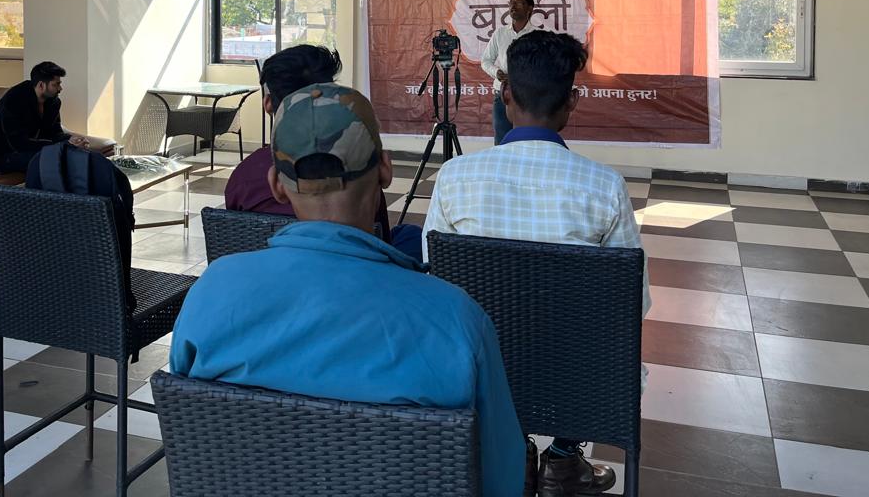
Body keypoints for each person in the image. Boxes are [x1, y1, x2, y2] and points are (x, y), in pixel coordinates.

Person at [172, 84, 530, 497]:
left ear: (277, 184)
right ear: (385, 169)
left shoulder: (211, 292)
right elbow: (501, 478)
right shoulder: (454, 321)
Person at [426, 30, 649, 497]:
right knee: (610, 344)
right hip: (574, 374)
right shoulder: (605, 187)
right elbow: (633, 304)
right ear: (572, 102)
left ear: (506, 95)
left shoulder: (453, 177)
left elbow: (435, 278)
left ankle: (515, 448)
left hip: (479, 366)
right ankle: (564, 461)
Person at [223, 44, 422, 259]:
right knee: (410, 236)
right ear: (384, 169)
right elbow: (379, 242)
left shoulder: (244, 175)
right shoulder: (364, 168)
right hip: (364, 274)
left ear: (277, 184)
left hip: (268, 272)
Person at [0, 61, 111, 173]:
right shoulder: (14, 101)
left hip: (22, 150)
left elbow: (55, 133)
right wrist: (61, 146)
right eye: (56, 84)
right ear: (41, 85)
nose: (60, 88)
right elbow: (18, 144)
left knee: (74, 153)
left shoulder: (53, 102)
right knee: (52, 158)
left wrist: (70, 140)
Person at [480, 0, 535, 145]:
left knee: (526, 141)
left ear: (530, 8)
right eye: (511, 2)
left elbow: (541, 67)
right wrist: (496, 73)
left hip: (528, 97)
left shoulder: (537, 35)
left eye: (518, 3)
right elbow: (485, 60)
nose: (513, 6)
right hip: (503, 96)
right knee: (502, 142)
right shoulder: (500, 33)